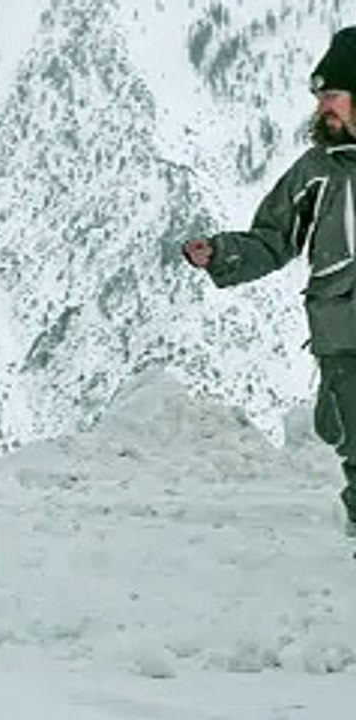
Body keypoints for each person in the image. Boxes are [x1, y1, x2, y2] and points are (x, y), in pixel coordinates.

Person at [182, 26, 356, 534]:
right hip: (342, 336)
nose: (323, 106)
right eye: (320, 97)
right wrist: (221, 254)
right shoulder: (317, 171)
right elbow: (274, 238)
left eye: (333, 94)